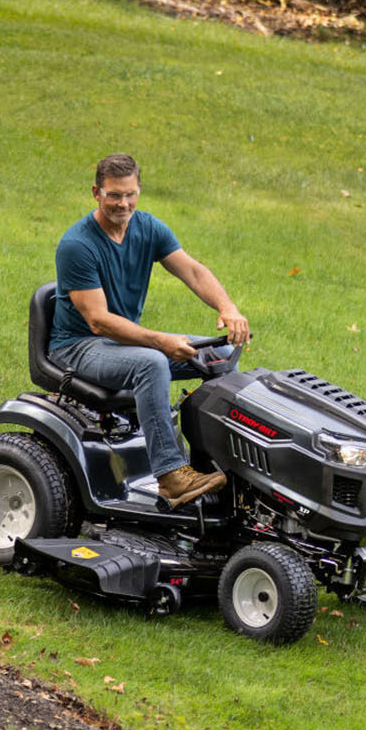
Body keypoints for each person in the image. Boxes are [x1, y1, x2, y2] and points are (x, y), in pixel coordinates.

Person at [48, 153, 250, 507]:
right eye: (113, 195)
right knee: (151, 363)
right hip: (80, 347)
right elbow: (99, 321)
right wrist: (160, 342)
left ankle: (210, 463)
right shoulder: (77, 245)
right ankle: (171, 477)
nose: (122, 203)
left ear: (139, 191)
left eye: (129, 194)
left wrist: (227, 307)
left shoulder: (148, 228)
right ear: (96, 192)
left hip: (121, 344)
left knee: (219, 355)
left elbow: (193, 271)